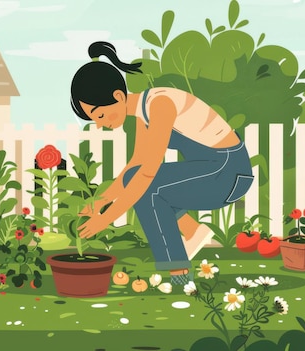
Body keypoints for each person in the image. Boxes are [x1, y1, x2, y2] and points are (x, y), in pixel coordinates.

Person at [70, 41, 253, 285]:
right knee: (131, 176)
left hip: (229, 172)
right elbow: (137, 163)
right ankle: (193, 232)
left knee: (147, 188)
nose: (102, 124)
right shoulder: (143, 111)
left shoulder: (160, 105)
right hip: (209, 169)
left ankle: (178, 270)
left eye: (101, 115)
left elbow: (148, 173)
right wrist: (100, 202)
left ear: (117, 96)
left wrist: (106, 218)